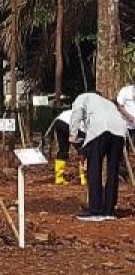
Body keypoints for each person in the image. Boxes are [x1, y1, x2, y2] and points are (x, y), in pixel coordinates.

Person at [69, 92, 128, 222]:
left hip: (100, 129)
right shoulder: (107, 102)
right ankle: (109, 210)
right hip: (120, 131)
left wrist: (72, 136)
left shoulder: (82, 97)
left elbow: (76, 114)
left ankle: (95, 210)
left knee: (94, 168)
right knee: (113, 171)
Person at [51, 107, 86, 186]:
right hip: (72, 123)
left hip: (59, 120)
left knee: (63, 149)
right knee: (83, 150)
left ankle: (59, 178)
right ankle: (84, 178)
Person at [117, 81, 135, 148]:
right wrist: (130, 117)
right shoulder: (125, 90)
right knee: (125, 145)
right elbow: (120, 106)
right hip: (127, 123)